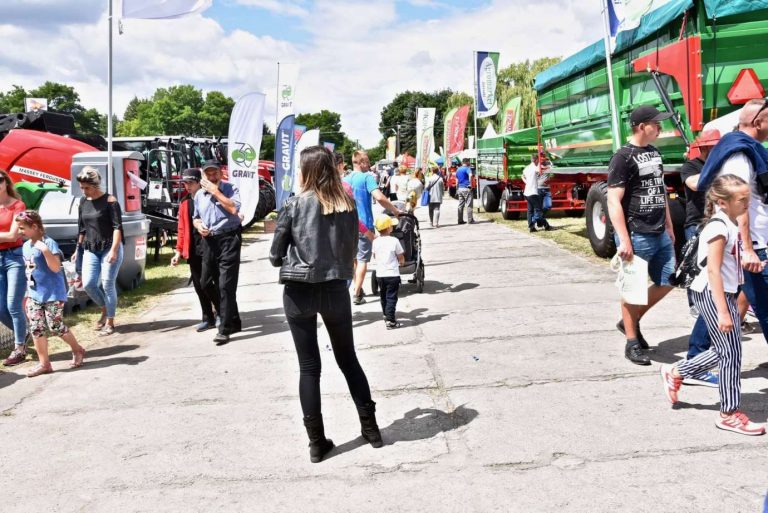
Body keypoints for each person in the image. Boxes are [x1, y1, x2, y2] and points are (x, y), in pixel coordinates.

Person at [269, 145, 383, 463]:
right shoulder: (346, 205)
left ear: (306, 170)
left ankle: (317, 443)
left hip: (298, 290)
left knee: (309, 367)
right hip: (334, 288)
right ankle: (371, 430)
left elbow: (275, 255)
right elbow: (348, 250)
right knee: (348, 360)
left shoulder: (292, 205)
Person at [660, 174, 766, 436]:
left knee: (726, 351)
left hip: (723, 291)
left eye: (748, 198)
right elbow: (713, 272)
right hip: (711, 292)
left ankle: (677, 371)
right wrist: (723, 311)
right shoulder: (718, 227)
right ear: (722, 201)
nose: (747, 203)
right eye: (742, 200)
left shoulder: (730, 222)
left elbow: (729, 264)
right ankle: (728, 413)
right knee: (731, 354)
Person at [697, 98, 768, 348]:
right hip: (751, 244)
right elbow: (738, 203)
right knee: (763, 304)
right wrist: (748, 249)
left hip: (756, 241)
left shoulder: (750, 149)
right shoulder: (740, 154)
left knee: (734, 297)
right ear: (758, 122)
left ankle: (697, 357)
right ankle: (693, 360)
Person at [607, 105, 676, 365]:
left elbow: (660, 191)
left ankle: (630, 321)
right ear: (641, 126)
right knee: (632, 290)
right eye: (656, 124)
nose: (660, 128)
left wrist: (669, 224)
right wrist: (624, 239)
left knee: (670, 279)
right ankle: (632, 343)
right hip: (637, 234)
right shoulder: (622, 157)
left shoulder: (655, 153)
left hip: (659, 230)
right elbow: (614, 201)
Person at [17, 210, 85, 377]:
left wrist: (45, 250)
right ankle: (44, 364)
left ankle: (78, 350)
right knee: (36, 328)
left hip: (53, 294)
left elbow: (55, 267)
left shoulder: (49, 243)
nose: (20, 232)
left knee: (55, 326)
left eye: (22, 228)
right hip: (34, 294)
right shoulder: (26, 246)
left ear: (34, 226)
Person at [680, 130, 721, 387]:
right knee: (701, 278)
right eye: (713, 147)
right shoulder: (691, 166)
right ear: (704, 148)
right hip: (697, 225)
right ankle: (695, 359)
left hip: (718, 225)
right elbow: (694, 184)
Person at [193, 160, 242, 345]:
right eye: (208, 174)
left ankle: (224, 329)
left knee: (225, 286)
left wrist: (215, 191)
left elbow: (233, 208)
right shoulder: (198, 195)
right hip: (209, 240)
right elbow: (195, 218)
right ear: (203, 175)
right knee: (205, 282)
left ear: (221, 173)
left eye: (215, 173)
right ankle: (232, 317)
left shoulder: (230, 188)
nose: (212, 177)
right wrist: (199, 226)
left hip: (229, 238)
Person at [343, 150, 401, 306]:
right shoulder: (367, 177)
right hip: (364, 225)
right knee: (362, 260)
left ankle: (358, 288)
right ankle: (356, 294)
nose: (369, 165)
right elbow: (379, 197)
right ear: (361, 163)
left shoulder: (345, 179)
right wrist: (395, 210)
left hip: (347, 226)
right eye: (367, 162)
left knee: (355, 259)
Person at [75, 166, 124, 337]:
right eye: (81, 187)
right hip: (90, 248)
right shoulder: (83, 201)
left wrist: (114, 250)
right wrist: (77, 249)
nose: (84, 190)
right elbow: (81, 228)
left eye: (86, 187)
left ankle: (110, 321)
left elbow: (118, 228)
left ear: (96, 185)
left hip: (109, 246)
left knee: (107, 283)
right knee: (88, 284)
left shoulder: (110, 201)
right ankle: (104, 309)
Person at [171, 168, 220, 332]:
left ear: (200, 182)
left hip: (209, 246)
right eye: (185, 183)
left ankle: (220, 312)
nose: (187, 186)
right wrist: (178, 251)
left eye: (191, 182)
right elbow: (182, 229)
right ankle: (208, 317)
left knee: (208, 282)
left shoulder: (208, 198)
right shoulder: (185, 202)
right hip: (192, 249)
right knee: (199, 286)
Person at [0, 169, 28, 366]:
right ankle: (27, 333)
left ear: (6, 182)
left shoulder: (18, 205)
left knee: (13, 304)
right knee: (1, 308)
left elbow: (13, 236)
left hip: (14, 257)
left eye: (0, 180)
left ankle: (19, 348)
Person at [372, 214, 404, 329]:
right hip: (392, 274)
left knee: (383, 296)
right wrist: (401, 262)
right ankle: (391, 321)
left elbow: (375, 255)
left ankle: (386, 314)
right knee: (391, 297)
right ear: (389, 228)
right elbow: (400, 255)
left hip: (380, 274)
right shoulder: (394, 240)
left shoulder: (375, 242)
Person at [522, 154, 552, 232]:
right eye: (538, 160)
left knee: (530, 210)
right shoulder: (535, 168)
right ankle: (535, 224)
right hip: (533, 192)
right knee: (538, 210)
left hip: (526, 192)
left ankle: (533, 227)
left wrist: (527, 182)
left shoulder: (527, 168)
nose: (539, 161)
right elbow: (540, 170)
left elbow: (522, 176)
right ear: (536, 160)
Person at [456, 158, 475, 224]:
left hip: (460, 188)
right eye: (468, 162)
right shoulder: (467, 168)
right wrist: (470, 184)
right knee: (469, 204)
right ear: (466, 162)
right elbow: (470, 175)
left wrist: (457, 188)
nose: (469, 163)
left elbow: (457, 180)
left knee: (460, 205)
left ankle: (460, 220)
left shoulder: (458, 169)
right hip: (466, 188)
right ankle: (470, 220)